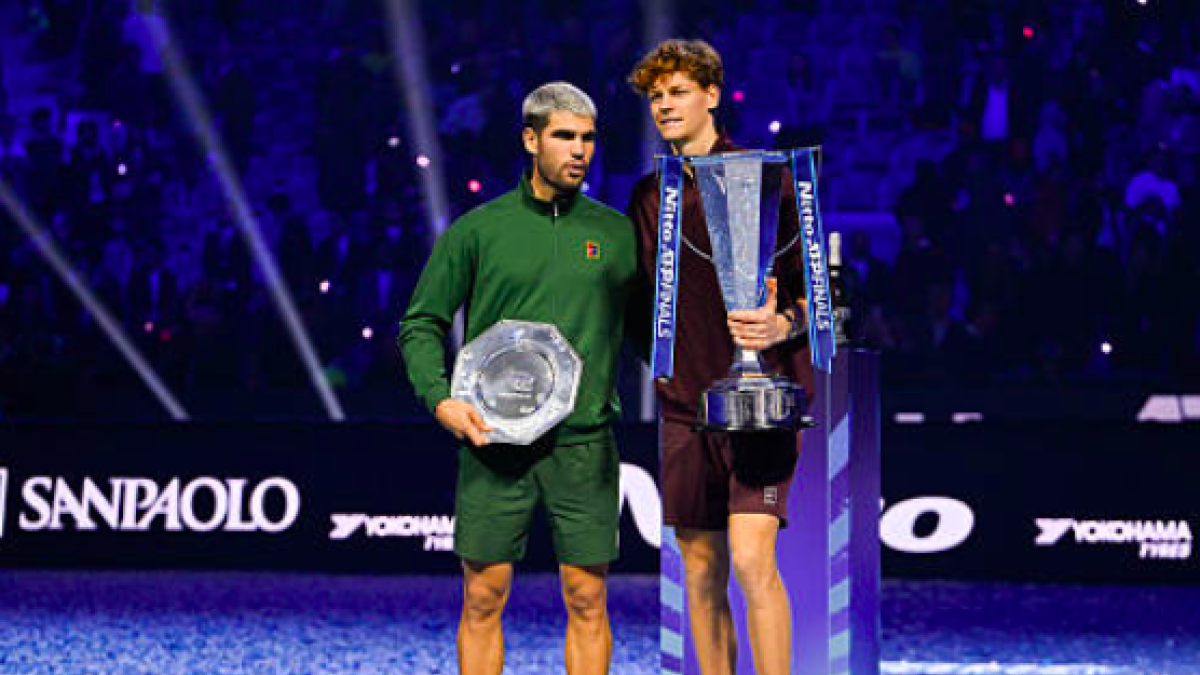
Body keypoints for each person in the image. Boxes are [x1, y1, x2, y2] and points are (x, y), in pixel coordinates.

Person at [398, 82, 636, 675]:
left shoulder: (618, 234)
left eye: (588, 138)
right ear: (531, 140)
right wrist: (440, 401)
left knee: (588, 598)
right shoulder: (477, 231)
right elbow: (421, 322)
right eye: (565, 136)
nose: (579, 150)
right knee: (482, 598)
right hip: (492, 441)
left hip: (584, 445)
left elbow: (655, 329)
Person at [626, 39, 813, 675]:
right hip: (685, 408)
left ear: (712, 94)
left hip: (760, 403)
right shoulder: (648, 197)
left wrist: (782, 322)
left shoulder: (768, 178)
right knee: (701, 567)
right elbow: (637, 301)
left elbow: (825, 296)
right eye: (656, 96)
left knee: (753, 560)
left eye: (678, 92)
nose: (664, 105)